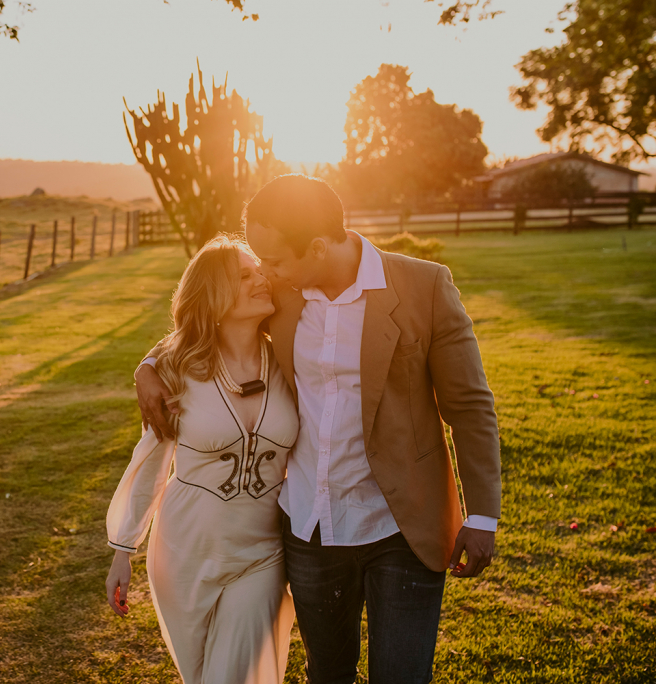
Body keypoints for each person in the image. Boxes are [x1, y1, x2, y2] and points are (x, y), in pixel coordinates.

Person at [135, 175, 502, 684]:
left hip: (403, 524)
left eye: (275, 260)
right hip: (309, 525)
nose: (264, 273)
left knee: (400, 675)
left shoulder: (425, 286)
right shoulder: (283, 295)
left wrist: (483, 515)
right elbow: (208, 321)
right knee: (327, 674)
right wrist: (149, 365)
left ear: (317, 247)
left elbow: (469, 406)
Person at [105, 236, 298, 684]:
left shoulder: (290, 358)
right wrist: (123, 549)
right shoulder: (175, 368)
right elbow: (151, 461)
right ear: (213, 296)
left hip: (261, 552)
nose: (260, 279)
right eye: (244, 276)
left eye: (258, 271)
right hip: (185, 552)